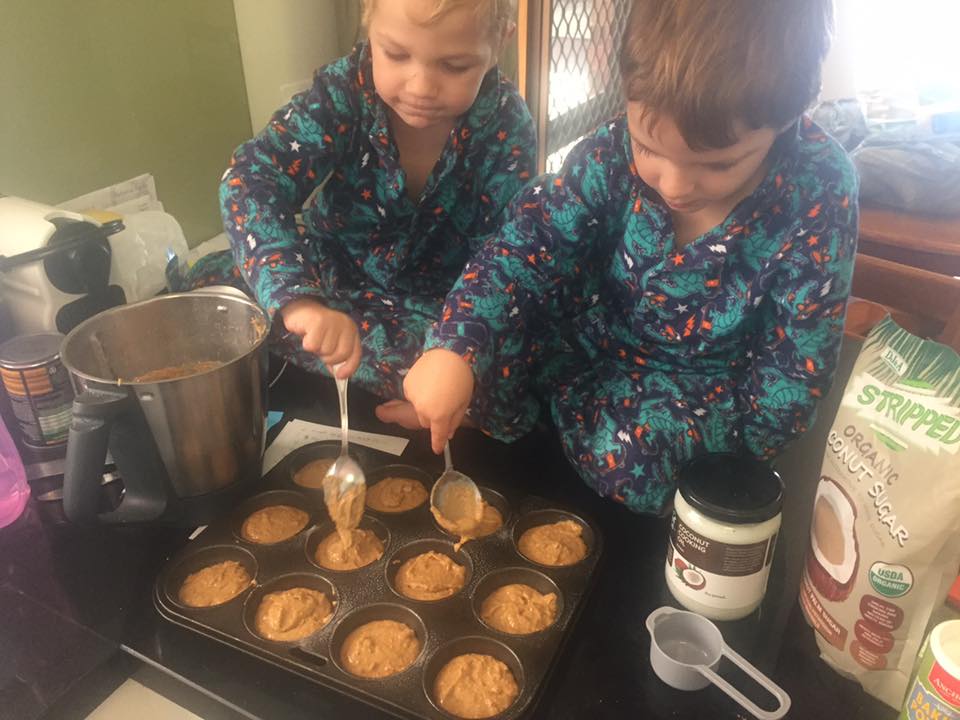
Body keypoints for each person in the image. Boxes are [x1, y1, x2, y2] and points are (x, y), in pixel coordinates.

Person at [379, 0, 859, 515]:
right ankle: (511, 406)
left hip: (702, 392)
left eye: (718, 165)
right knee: (430, 342)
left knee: (635, 456)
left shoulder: (820, 187)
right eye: (648, 147)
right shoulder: (607, 152)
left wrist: (736, 468)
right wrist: (455, 349)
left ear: (789, 117)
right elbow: (527, 247)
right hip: (588, 347)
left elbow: (794, 370)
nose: (674, 185)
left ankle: (525, 414)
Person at [186, 0, 534, 396]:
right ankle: (425, 395)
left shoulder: (508, 122)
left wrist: (455, 351)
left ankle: (447, 401)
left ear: (499, 42)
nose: (420, 86)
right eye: (396, 54)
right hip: (332, 273)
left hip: (439, 300)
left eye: (454, 66)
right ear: (369, 19)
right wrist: (300, 302)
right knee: (217, 299)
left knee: (517, 365)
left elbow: (508, 253)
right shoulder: (342, 92)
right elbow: (251, 177)